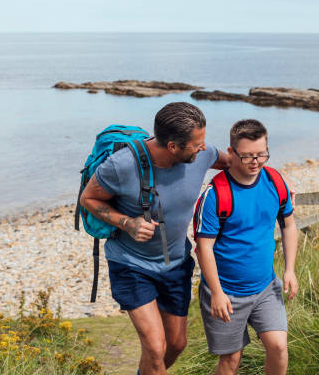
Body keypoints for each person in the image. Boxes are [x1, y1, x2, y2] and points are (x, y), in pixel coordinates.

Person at [79, 102, 233, 375]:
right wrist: (127, 223)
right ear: (172, 146)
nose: (204, 148)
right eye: (196, 144)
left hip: (175, 263)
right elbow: (88, 199)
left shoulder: (202, 154)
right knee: (154, 345)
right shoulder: (121, 166)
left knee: (175, 344)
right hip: (131, 264)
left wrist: (275, 182)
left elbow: (235, 163)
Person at [193, 119, 298, 375]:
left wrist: (290, 270)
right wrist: (216, 292)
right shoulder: (215, 194)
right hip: (226, 292)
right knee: (231, 360)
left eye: (262, 154)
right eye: (248, 156)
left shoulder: (275, 181)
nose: (256, 162)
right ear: (231, 153)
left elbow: (288, 225)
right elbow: (203, 248)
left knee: (278, 347)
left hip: (265, 287)